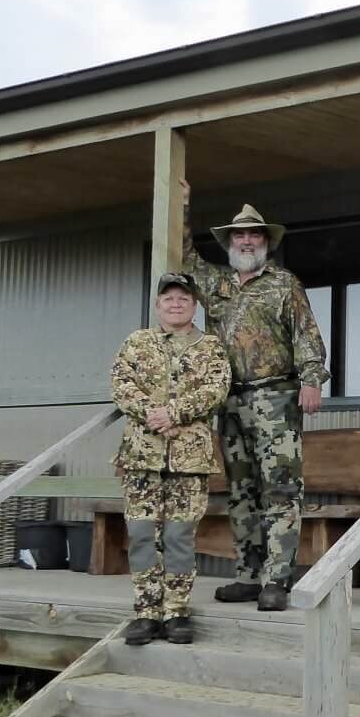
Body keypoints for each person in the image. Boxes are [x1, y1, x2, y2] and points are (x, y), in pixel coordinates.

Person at [181, 194, 326, 611]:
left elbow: (306, 335)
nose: (246, 241)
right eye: (239, 235)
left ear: (265, 242)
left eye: (253, 235)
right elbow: (184, 254)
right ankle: (247, 575)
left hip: (277, 396)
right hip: (229, 400)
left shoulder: (284, 284)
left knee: (280, 489)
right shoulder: (215, 284)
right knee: (242, 491)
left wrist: (311, 379)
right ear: (231, 242)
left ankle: (277, 580)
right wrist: (184, 204)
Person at [109, 271, 230, 645]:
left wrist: (174, 414)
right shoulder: (137, 342)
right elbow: (120, 383)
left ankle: (176, 611)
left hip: (189, 458)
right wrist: (153, 414)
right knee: (143, 534)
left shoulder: (210, 347)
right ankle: (146, 612)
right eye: (168, 298)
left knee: (179, 536)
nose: (175, 304)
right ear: (158, 304)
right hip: (142, 456)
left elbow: (218, 387)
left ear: (194, 305)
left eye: (183, 298)